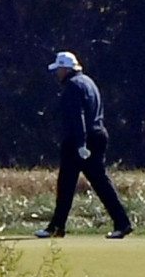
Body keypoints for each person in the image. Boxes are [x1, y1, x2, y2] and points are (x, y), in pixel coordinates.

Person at [35, 51, 133, 239]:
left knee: (66, 183)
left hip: (79, 140)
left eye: (59, 69)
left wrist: (80, 143)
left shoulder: (72, 86)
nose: (58, 73)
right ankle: (122, 223)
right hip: (98, 135)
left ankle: (56, 227)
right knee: (100, 183)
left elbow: (77, 116)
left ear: (66, 68)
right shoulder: (88, 81)